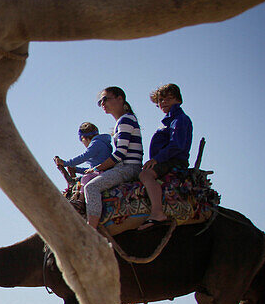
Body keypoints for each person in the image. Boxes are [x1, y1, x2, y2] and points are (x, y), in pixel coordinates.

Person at [82, 86, 143, 230]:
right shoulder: (123, 121)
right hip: (125, 166)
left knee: (91, 187)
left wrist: (96, 168)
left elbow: (120, 154)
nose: (102, 104)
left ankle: (91, 230)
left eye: (105, 99)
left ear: (120, 99)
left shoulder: (125, 120)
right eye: (100, 102)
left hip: (129, 168)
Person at [138, 83, 192, 230]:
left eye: (169, 98)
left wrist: (157, 159)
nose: (164, 102)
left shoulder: (179, 119)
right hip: (165, 159)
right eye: (161, 100)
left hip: (174, 160)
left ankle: (157, 213)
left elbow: (176, 145)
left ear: (178, 100)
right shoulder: (169, 120)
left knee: (146, 175)